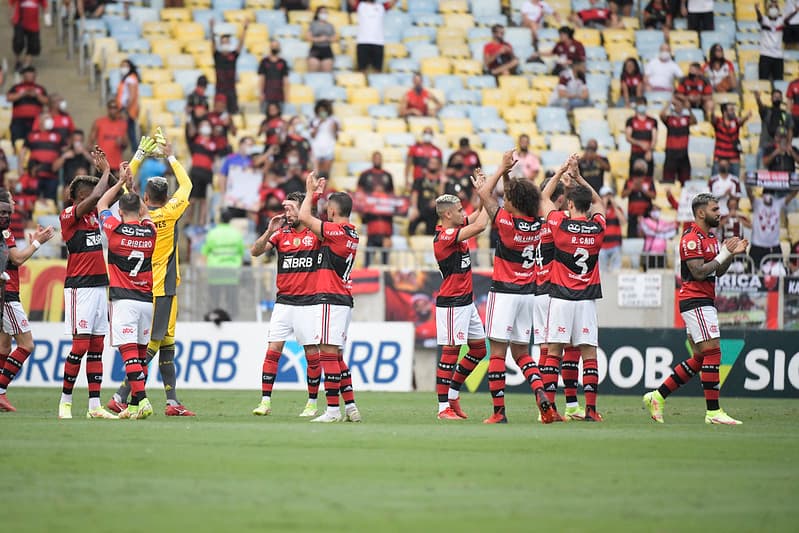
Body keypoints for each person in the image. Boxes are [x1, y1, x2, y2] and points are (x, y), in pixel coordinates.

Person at [108, 134, 197, 417]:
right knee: (155, 343)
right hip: (162, 288)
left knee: (167, 340)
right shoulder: (171, 212)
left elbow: (122, 183)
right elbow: (188, 184)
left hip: (146, 285)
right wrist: (170, 155)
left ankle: (172, 402)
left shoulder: (140, 213)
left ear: (144, 198)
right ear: (165, 197)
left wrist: (138, 156)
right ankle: (121, 395)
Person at [643, 193, 749, 425]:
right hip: (695, 300)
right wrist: (723, 254)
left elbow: (717, 271)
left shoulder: (711, 238)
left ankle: (657, 396)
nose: (718, 213)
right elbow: (699, 271)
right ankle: (713, 412)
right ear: (701, 213)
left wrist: (730, 253)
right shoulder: (691, 238)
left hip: (704, 300)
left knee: (701, 358)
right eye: (714, 209)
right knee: (713, 353)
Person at [471, 151, 559, 424]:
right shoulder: (537, 224)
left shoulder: (506, 223)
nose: (504, 200)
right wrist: (508, 174)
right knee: (522, 353)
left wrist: (499, 168)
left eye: (508, 198)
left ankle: (499, 412)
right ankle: (541, 395)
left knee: (497, 353)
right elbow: (507, 196)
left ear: (513, 203)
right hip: (528, 295)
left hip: (505, 293)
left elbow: (486, 197)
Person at [540, 154, 606, 422]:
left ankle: (550, 409)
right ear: (587, 207)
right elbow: (600, 201)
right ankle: (590, 410)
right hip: (587, 299)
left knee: (554, 352)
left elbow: (543, 199)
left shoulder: (560, 225)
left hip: (562, 297)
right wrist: (579, 177)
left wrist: (559, 172)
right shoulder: (598, 228)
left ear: (569, 204)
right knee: (588, 354)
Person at [250, 192, 325, 418]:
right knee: (273, 350)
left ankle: (312, 403)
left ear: (303, 209)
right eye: (285, 207)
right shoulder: (281, 234)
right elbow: (255, 252)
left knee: (311, 353)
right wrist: (269, 231)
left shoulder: (316, 233)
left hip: (309, 303)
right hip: (284, 303)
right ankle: (265, 401)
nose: (286, 212)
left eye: (291, 207)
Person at [298, 172, 363, 423]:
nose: (325, 213)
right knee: (336, 356)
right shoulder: (351, 232)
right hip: (343, 298)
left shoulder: (335, 231)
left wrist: (310, 193)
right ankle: (351, 407)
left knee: (327, 353)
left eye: (327, 209)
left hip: (330, 297)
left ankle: (332, 411)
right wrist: (317, 197)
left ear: (333, 211)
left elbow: (304, 218)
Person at [57, 150, 116, 420]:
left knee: (97, 348)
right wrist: (104, 173)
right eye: (94, 193)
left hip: (98, 287)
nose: (98, 197)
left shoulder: (94, 215)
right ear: (82, 196)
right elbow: (97, 196)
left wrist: (113, 171)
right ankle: (65, 402)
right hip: (78, 288)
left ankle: (94, 406)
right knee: (79, 347)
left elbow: (113, 191)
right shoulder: (69, 215)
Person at [96, 163, 157, 420]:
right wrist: (131, 188)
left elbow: (100, 204)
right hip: (146, 300)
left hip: (124, 299)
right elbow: (144, 213)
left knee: (128, 351)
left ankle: (142, 400)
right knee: (141, 353)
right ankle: (133, 406)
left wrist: (120, 183)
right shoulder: (150, 230)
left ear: (120, 212)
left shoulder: (115, 230)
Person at [431, 193, 489, 420]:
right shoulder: (444, 237)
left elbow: (478, 212)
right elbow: (482, 223)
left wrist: (486, 189)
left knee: (478, 350)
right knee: (450, 352)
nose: (464, 213)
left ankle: (453, 395)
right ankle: (442, 407)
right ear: (447, 214)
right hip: (452, 302)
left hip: (466, 301)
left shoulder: (456, 227)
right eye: (459, 210)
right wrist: (490, 193)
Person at [0, 193, 55, 412]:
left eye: (8, 208)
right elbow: (18, 259)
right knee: (26, 344)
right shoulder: (5, 232)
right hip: (7, 295)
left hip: (6, 292)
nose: (12, 205)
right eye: (8, 203)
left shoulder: (6, 231)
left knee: (4, 346)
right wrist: (37, 243)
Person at [201, 209, 246, 318]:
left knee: (214, 302)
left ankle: (213, 321)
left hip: (215, 273)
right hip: (232, 274)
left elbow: (205, 252)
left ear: (220, 219)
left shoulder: (212, 233)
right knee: (231, 303)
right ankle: (232, 322)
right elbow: (241, 253)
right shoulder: (236, 234)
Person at [746, 183, 798, 272]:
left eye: (771, 194)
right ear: (763, 195)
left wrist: (796, 183)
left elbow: (791, 195)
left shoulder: (777, 203)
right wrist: (747, 182)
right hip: (757, 246)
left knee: (779, 271)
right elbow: (749, 193)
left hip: (774, 246)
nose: (769, 196)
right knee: (753, 272)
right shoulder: (757, 203)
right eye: (766, 193)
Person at [357, 151, 394, 266]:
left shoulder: (388, 176)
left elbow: (393, 197)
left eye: (379, 158)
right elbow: (359, 195)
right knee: (368, 257)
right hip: (371, 221)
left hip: (386, 223)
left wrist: (382, 197)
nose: (377, 160)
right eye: (375, 158)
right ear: (372, 159)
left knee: (385, 261)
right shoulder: (364, 175)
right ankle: (365, 276)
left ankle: (386, 280)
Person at [20, 111, 62, 201]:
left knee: (50, 201)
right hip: (35, 174)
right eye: (47, 118)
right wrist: (20, 168)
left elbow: (62, 152)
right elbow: (23, 151)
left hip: (52, 175)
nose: (50, 120)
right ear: (40, 120)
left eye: (50, 118)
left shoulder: (57, 136)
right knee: (33, 200)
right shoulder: (32, 135)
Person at [210, 18, 248, 114]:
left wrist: (245, 29)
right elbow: (213, 43)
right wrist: (212, 30)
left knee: (233, 113)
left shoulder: (233, 56)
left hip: (231, 90)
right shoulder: (217, 56)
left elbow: (241, 44)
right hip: (220, 90)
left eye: (227, 41)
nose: (225, 43)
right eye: (223, 41)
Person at [187, 118, 218, 226]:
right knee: (193, 199)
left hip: (207, 173)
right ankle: (188, 221)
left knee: (204, 200)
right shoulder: (196, 139)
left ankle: (201, 222)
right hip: (196, 171)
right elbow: (190, 131)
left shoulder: (213, 143)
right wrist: (190, 116)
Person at [350, 0, 397, 73]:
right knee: (362, 70)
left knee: (377, 71)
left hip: (378, 43)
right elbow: (351, 2)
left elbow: (393, 2)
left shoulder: (381, 7)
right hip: (363, 42)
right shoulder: (360, 5)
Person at [6, 65, 48, 147]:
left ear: (35, 76)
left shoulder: (40, 88)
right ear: (23, 76)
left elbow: (47, 101)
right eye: (27, 75)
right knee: (16, 140)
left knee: (33, 140)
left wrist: (36, 95)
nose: (30, 77)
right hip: (18, 120)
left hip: (35, 121)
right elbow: (9, 98)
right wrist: (23, 94)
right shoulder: (16, 87)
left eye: (32, 75)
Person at [660, 97, 697, 185]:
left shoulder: (686, 119)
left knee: (685, 182)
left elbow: (695, 121)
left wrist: (689, 109)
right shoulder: (670, 119)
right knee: (668, 181)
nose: (677, 107)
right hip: (671, 154)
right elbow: (661, 115)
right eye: (675, 105)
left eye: (679, 105)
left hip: (683, 154)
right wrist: (668, 103)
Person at [622, 159, 656, 238]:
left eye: (641, 167)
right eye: (637, 167)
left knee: (647, 238)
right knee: (632, 238)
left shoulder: (649, 180)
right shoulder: (629, 180)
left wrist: (642, 189)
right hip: (632, 215)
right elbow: (623, 195)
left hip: (646, 214)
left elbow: (653, 196)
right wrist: (632, 188)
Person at [711, 103, 749, 177]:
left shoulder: (736, 122)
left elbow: (741, 121)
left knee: (734, 182)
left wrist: (746, 117)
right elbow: (713, 120)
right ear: (725, 112)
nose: (733, 111)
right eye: (731, 110)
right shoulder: (719, 121)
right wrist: (712, 112)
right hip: (719, 158)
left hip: (734, 158)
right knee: (715, 180)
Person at [409, 158, 444, 236]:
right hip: (420, 209)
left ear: (439, 166)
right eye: (431, 162)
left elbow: (442, 196)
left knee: (433, 223)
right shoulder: (420, 180)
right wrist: (414, 208)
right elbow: (415, 193)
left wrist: (436, 200)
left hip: (433, 212)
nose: (433, 164)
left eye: (435, 163)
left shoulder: (441, 182)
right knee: (412, 223)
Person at [90, 99, 128, 169]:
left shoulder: (122, 124)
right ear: (108, 109)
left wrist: (122, 142)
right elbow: (90, 143)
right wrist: (94, 158)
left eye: (115, 108)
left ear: (118, 109)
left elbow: (126, 144)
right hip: (102, 164)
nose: (113, 110)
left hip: (116, 164)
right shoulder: (99, 122)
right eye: (111, 107)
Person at [10, 0, 47, 71]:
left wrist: (46, 19)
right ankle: (17, 61)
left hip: (33, 23)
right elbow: (12, 3)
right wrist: (11, 16)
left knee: (33, 44)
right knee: (18, 42)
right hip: (19, 20)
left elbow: (44, 5)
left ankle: (27, 64)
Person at [625, 97, 658, 176]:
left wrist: (650, 151)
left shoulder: (653, 121)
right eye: (639, 104)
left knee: (648, 178)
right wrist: (640, 143)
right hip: (635, 154)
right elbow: (628, 137)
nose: (641, 106)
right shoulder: (631, 121)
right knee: (634, 178)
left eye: (642, 104)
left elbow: (654, 138)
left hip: (647, 154)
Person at [758, 2, 791, 81]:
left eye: (775, 7)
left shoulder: (781, 20)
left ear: (778, 10)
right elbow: (759, 18)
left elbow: (787, 19)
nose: (773, 9)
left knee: (779, 81)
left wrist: (795, 12)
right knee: (763, 81)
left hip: (778, 56)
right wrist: (757, 10)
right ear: (768, 10)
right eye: (771, 7)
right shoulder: (764, 19)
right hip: (765, 55)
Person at [258, 40, 290, 112]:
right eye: (273, 46)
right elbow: (261, 78)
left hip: (279, 95)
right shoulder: (264, 61)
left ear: (279, 48)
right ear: (270, 47)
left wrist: (286, 95)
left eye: (276, 46)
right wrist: (261, 93)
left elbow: (285, 80)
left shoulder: (283, 62)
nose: (274, 48)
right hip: (267, 94)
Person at [309, 99, 339, 178]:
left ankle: (324, 190)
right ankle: (315, 190)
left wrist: (334, 128)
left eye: (324, 110)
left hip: (329, 149)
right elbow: (312, 135)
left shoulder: (334, 121)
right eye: (320, 110)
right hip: (316, 150)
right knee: (315, 174)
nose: (322, 112)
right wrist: (319, 124)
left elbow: (336, 136)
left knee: (325, 175)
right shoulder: (314, 121)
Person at [116, 59, 140, 152]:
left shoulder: (130, 79)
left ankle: (135, 151)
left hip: (127, 109)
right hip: (128, 109)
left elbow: (132, 95)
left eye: (125, 66)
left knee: (129, 132)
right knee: (129, 131)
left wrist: (125, 109)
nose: (123, 68)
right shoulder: (129, 78)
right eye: (122, 66)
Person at [599, 186, 624, 273]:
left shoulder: (618, 209)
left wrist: (614, 204)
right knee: (603, 272)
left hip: (615, 245)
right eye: (606, 196)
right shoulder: (599, 209)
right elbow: (601, 218)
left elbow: (623, 221)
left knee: (616, 271)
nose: (608, 198)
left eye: (610, 195)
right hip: (602, 246)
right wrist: (604, 204)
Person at [306, 6, 336, 72]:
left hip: (327, 49)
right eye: (322, 12)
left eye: (325, 12)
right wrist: (318, 39)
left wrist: (327, 38)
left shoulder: (330, 25)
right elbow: (308, 37)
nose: (324, 14)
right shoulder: (313, 24)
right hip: (315, 49)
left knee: (326, 74)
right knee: (313, 72)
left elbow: (334, 38)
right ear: (318, 14)